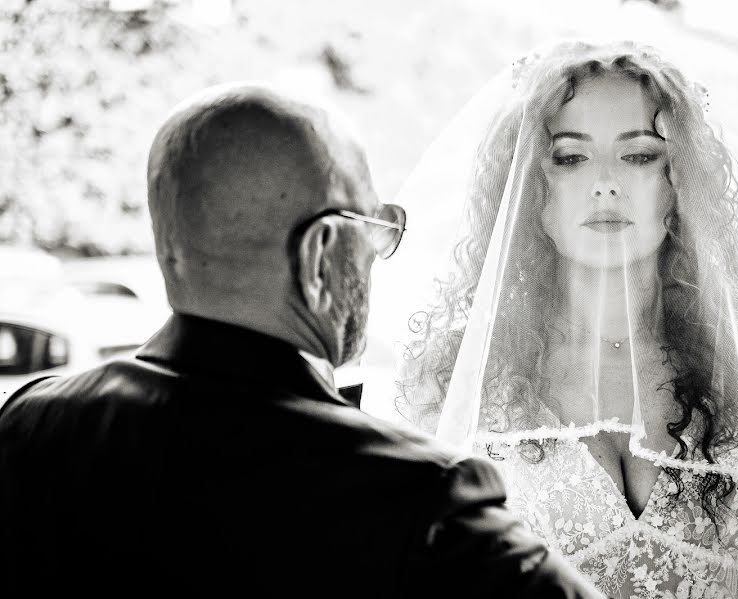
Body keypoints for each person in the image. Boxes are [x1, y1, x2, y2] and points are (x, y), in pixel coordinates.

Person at [0, 83, 604, 598]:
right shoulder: (419, 502)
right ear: (319, 257)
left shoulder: (29, 424)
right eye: (372, 227)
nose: (375, 256)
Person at [391, 40, 738, 598]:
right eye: (569, 157)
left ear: (680, 184)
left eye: (638, 155)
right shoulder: (451, 381)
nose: (605, 183)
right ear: (530, 190)